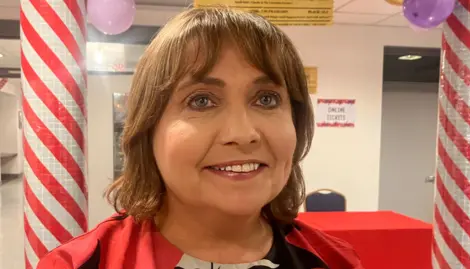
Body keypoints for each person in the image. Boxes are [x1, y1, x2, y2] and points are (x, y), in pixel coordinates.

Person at [37, 7, 363, 269]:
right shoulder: (81, 264)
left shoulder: (335, 262)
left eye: (266, 99)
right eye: (201, 100)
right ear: (149, 127)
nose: (243, 134)